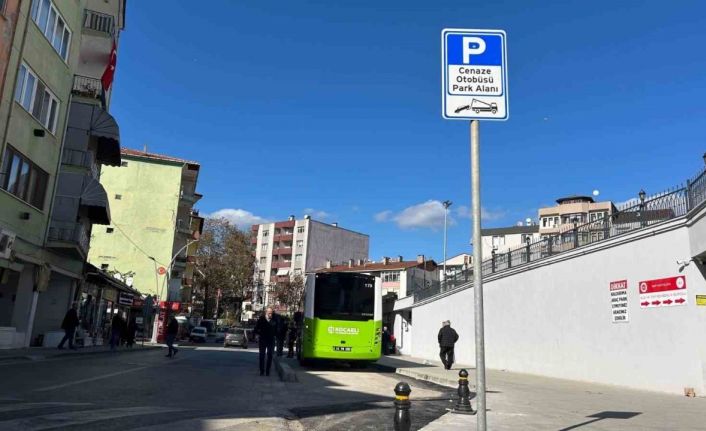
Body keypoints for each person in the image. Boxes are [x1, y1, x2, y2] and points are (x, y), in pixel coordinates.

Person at [254, 307, 277, 376]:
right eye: (269, 313)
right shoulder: (261, 319)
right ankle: (262, 371)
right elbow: (256, 329)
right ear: (266, 313)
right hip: (263, 340)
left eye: (271, 313)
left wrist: (275, 335)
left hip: (271, 340)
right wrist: (258, 334)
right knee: (262, 356)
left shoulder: (274, 320)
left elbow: (277, 329)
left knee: (270, 355)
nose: (271, 314)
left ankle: (267, 371)